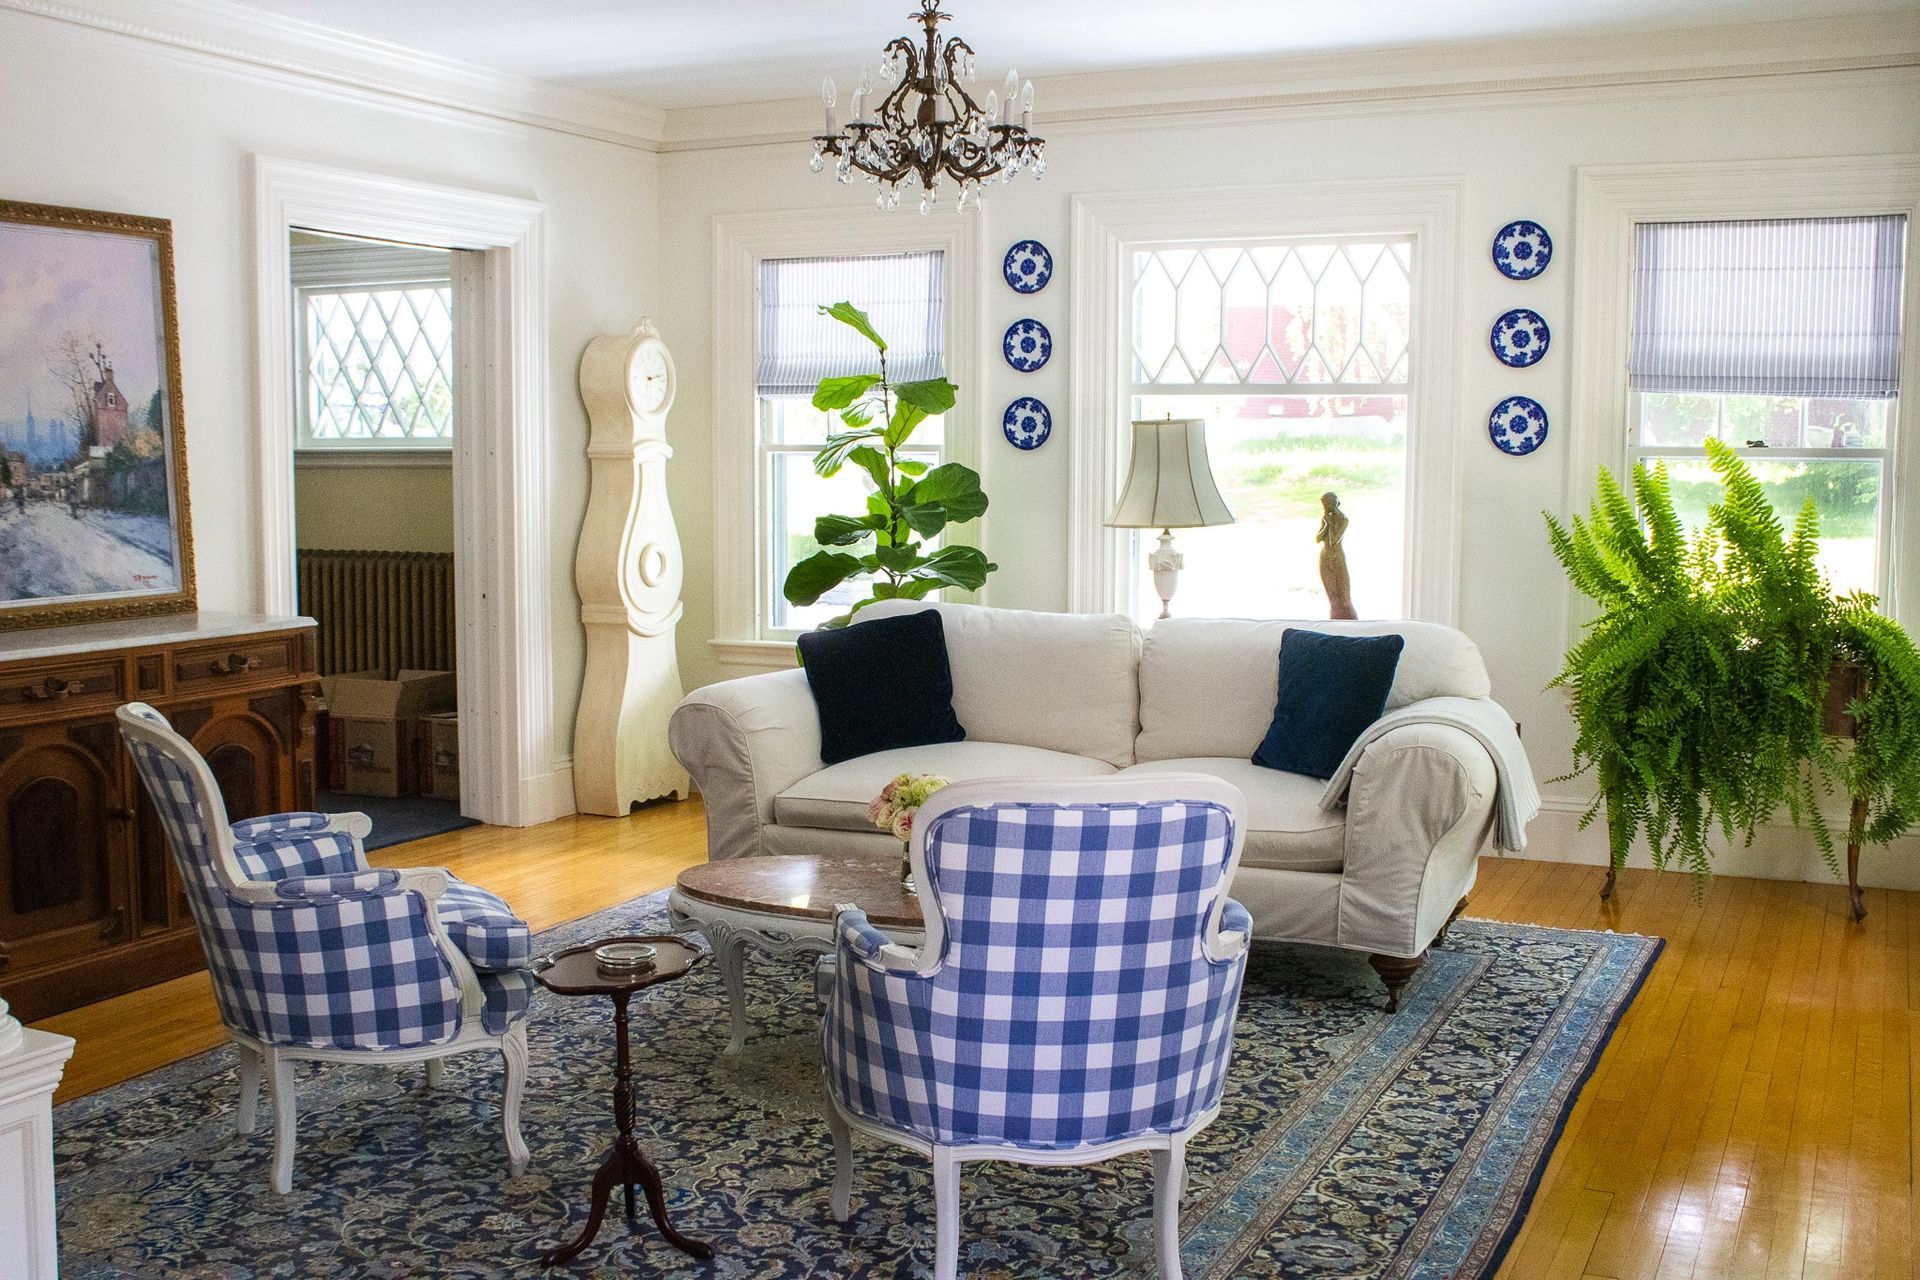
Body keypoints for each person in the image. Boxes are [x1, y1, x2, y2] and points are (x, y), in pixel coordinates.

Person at [1317, 491, 1357, 620]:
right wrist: (1325, 524)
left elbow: (1334, 540)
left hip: (1337, 557)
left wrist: (1329, 524)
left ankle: (1348, 621)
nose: (1324, 507)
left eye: (1326, 504)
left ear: (1333, 503)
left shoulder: (1343, 519)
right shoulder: (1325, 518)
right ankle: (1334, 622)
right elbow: (1318, 539)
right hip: (1325, 556)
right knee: (1332, 598)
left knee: (1344, 597)